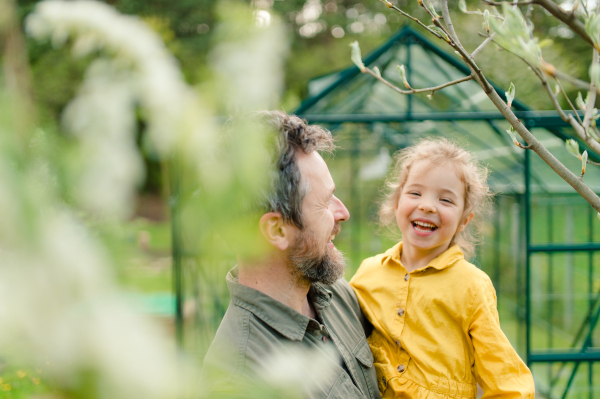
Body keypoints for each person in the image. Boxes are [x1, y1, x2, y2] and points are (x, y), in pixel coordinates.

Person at [203, 111, 381, 399]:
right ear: (277, 230)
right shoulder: (239, 380)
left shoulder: (337, 295)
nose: (343, 213)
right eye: (324, 203)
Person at [350, 139, 535, 399]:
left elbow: (507, 381)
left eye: (446, 200)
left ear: (464, 220)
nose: (427, 205)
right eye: (415, 193)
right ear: (396, 203)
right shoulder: (368, 275)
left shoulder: (471, 286)